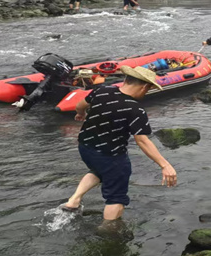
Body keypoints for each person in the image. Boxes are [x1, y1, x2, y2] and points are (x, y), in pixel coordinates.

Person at [62, 65, 177, 221]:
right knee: (116, 197)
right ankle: (108, 233)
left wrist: (80, 114)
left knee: (99, 171)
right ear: (144, 87)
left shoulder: (102, 91)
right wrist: (165, 165)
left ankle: (73, 201)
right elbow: (142, 141)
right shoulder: (135, 110)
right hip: (111, 156)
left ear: (126, 80)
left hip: (85, 148)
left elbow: (80, 105)